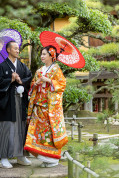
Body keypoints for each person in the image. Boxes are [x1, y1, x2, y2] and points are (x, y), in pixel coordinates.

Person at [24, 45, 68, 167]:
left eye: (44, 54)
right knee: (38, 133)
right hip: (38, 107)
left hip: (49, 108)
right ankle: (44, 158)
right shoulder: (39, 71)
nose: (42, 56)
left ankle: (52, 159)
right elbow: (32, 86)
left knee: (49, 133)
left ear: (51, 55)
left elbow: (62, 85)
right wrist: (36, 83)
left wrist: (49, 81)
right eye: (41, 54)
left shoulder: (56, 70)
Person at [0, 41, 32, 169]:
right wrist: (10, 79)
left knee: (21, 127)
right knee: (6, 128)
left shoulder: (22, 66)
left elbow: (29, 77)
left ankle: (20, 155)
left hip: (20, 100)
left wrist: (20, 81)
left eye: (18, 49)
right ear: (8, 50)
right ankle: (3, 157)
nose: (18, 51)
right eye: (15, 49)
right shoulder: (2, 66)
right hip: (7, 102)